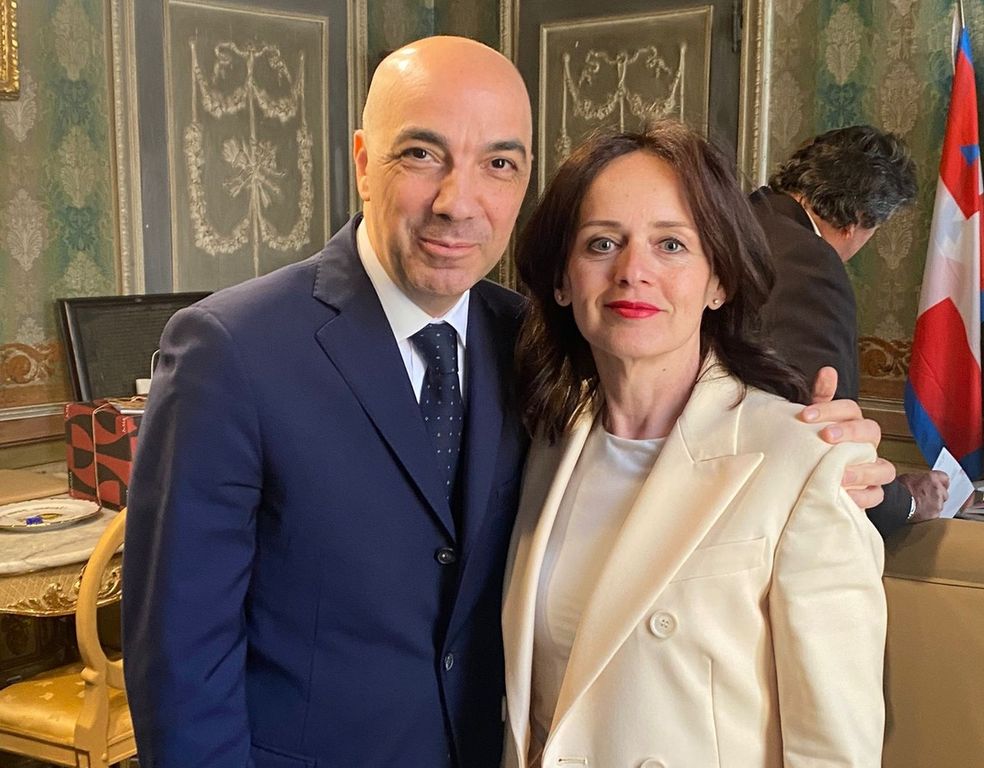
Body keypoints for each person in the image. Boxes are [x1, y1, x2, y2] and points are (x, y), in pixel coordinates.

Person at [123, 38, 891, 768]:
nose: (458, 202)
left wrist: (816, 452)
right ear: (363, 163)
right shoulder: (235, 348)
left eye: (498, 163)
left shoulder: (526, 348)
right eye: (421, 154)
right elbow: (182, 664)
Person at [502, 123, 886, 767]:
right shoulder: (542, 447)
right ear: (563, 280)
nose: (633, 272)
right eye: (602, 243)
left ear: (719, 282)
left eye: (672, 245)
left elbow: (835, 748)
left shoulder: (802, 460)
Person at [752, 125, 949, 536]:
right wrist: (908, 500)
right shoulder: (808, 262)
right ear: (858, 219)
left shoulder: (749, 218)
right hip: (767, 520)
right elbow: (823, 429)